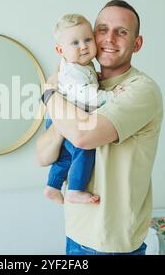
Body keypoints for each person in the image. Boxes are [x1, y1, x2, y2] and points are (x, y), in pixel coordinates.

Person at [36, 0, 163, 255]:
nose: (109, 38)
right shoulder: (80, 82)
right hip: (75, 233)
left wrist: (49, 95)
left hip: (111, 244)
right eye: (102, 29)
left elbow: (83, 137)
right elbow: (42, 155)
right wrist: (63, 109)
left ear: (137, 44)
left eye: (122, 32)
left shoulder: (140, 89)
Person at [44, 13, 123, 205]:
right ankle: (75, 189)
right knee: (84, 149)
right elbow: (88, 97)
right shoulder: (73, 71)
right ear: (59, 49)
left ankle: (53, 186)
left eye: (88, 39)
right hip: (66, 120)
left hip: (58, 118)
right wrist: (112, 95)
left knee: (65, 157)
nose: (83, 46)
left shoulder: (79, 66)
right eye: (75, 43)